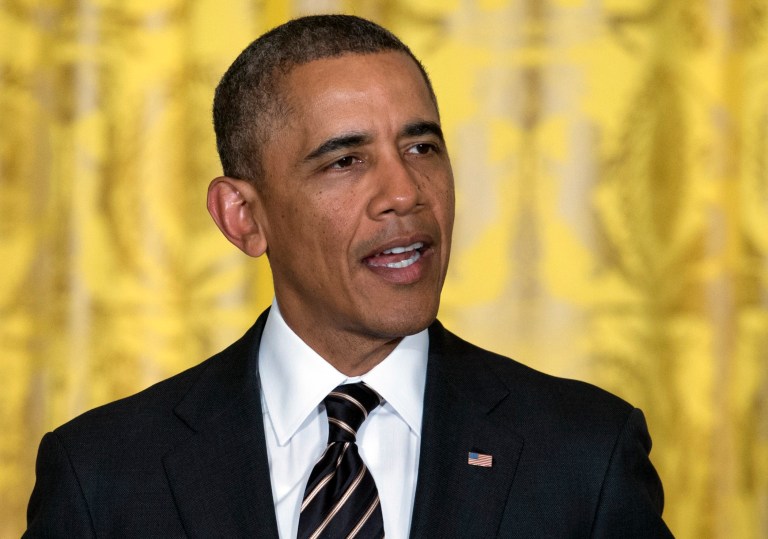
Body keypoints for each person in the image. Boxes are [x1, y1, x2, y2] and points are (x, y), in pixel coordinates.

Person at [24, 14, 673, 538]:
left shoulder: (584, 456)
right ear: (243, 217)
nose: (405, 191)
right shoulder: (102, 475)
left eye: (422, 147)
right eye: (346, 160)